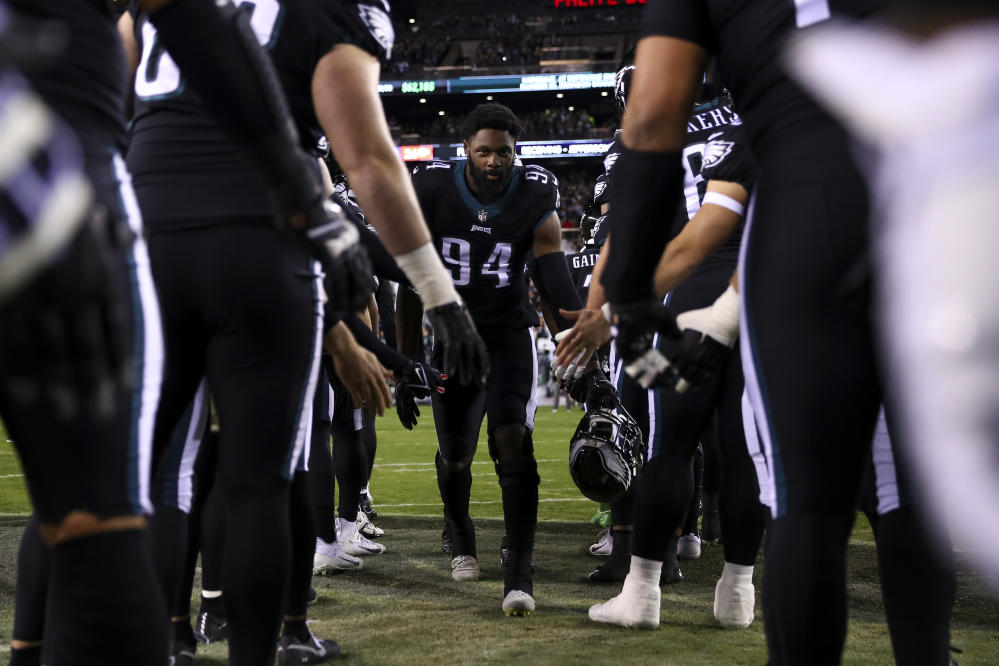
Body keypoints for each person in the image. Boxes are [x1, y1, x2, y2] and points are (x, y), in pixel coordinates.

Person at [593, 1, 954, 663]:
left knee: (805, 504)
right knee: (908, 496)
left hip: (802, 211)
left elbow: (650, 119)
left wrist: (630, 296)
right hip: (936, 193)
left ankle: (650, 584)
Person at [399, 102, 585, 616]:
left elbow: (553, 281)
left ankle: (519, 569)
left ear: (515, 152)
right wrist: (406, 361)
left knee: (512, 437)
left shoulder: (535, 194)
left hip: (508, 331)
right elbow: (411, 285)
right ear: (465, 151)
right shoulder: (433, 189)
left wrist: (575, 341)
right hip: (452, 338)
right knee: (455, 454)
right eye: (483, 150)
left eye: (503, 152)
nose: (494, 161)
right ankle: (459, 531)